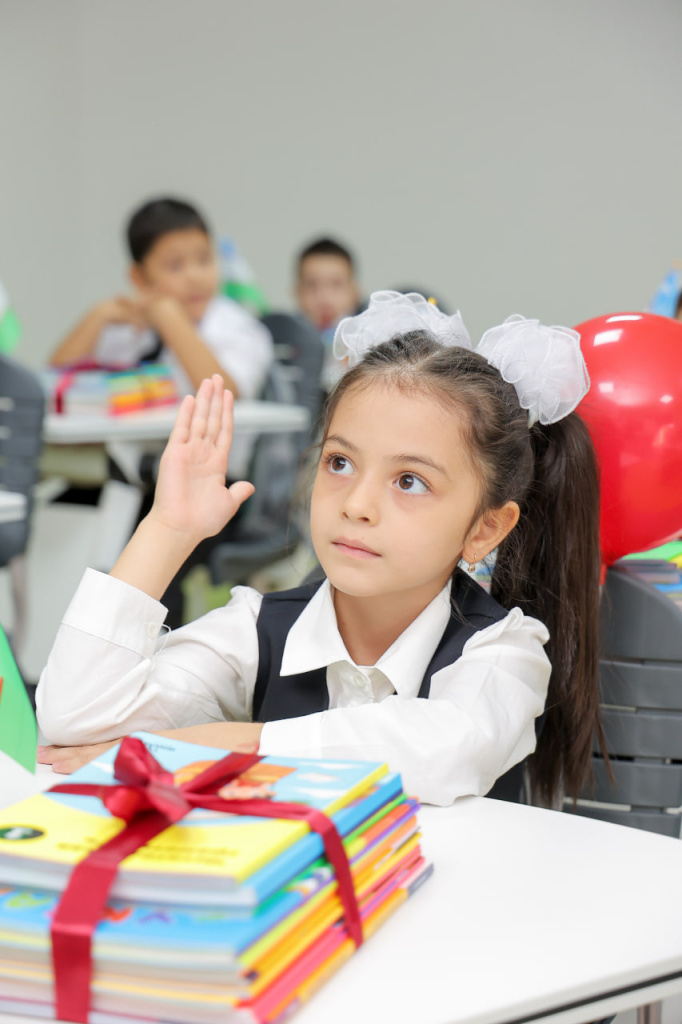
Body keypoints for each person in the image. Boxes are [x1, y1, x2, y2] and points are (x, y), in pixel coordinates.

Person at [36, 291, 605, 808]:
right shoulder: (256, 628)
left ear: (485, 529)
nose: (356, 504)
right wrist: (168, 528)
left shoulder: (504, 650)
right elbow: (74, 721)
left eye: (409, 481)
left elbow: (442, 748)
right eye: (340, 462)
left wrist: (226, 743)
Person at [50, 196, 273, 477]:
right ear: (139, 278)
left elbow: (225, 393)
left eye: (204, 259)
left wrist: (172, 320)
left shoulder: (239, 327)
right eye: (175, 266)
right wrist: (97, 317)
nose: (195, 276)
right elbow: (56, 386)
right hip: (130, 474)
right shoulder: (132, 330)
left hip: (211, 479)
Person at [294, 237, 361, 391]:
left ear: (355, 292)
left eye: (336, 284)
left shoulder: (369, 348)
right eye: (311, 285)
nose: (324, 299)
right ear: (297, 292)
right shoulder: (283, 348)